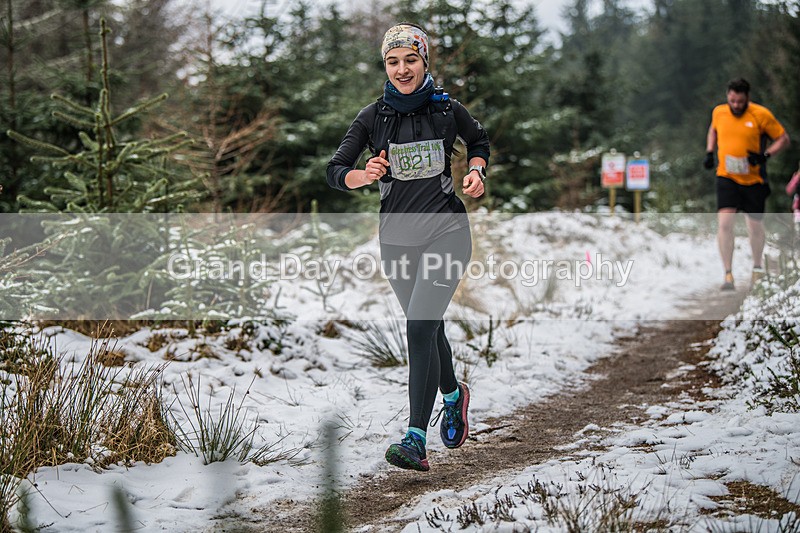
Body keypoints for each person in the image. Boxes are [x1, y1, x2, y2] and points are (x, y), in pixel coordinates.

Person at [326, 22, 490, 471]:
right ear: (385, 65)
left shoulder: (445, 109)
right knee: (429, 328)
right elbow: (335, 168)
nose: (402, 69)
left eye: (410, 60)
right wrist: (362, 175)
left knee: (419, 327)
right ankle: (454, 396)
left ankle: (415, 437)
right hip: (396, 241)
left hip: (447, 234)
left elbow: (478, 141)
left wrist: (476, 171)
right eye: (393, 61)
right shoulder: (373, 117)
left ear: (424, 61)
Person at [704, 78, 790, 291]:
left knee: (754, 227)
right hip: (727, 177)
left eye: (740, 102)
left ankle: (757, 267)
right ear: (728, 96)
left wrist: (765, 155)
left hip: (753, 180)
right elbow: (713, 130)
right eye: (732, 101)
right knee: (725, 224)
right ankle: (728, 274)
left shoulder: (761, 115)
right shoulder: (719, 112)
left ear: (747, 99)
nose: (735, 106)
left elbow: (783, 139)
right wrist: (709, 151)